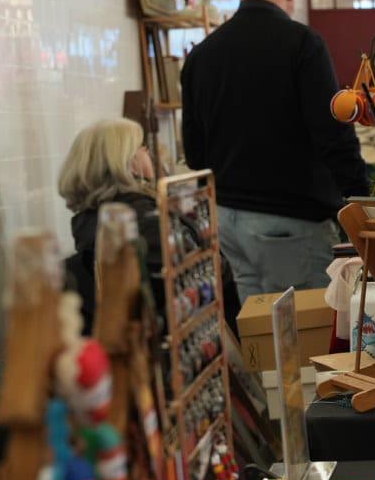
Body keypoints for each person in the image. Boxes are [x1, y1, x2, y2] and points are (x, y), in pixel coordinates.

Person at [181, 0, 366, 300]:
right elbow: (332, 136)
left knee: (261, 337)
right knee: (307, 339)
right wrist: (362, 198)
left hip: (229, 222)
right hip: (292, 223)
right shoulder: (302, 45)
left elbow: (195, 154)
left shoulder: (201, 56)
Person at [57, 118, 239, 336]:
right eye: (142, 146)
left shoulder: (92, 224)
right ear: (127, 162)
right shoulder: (148, 226)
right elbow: (207, 279)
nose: (148, 151)